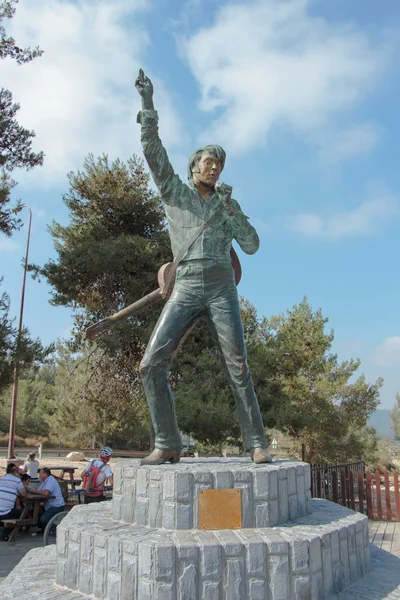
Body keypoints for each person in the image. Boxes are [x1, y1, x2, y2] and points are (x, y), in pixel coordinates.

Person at [134, 69, 272, 466]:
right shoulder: (174, 192)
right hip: (187, 283)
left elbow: (252, 244)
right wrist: (147, 104)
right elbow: (151, 149)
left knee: (238, 365)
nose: (214, 169)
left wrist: (231, 208)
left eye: (219, 165)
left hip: (221, 284)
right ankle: (167, 442)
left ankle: (257, 443)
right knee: (150, 364)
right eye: (209, 163)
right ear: (194, 166)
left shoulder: (226, 206)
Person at [0, 464, 26, 541]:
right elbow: (23, 493)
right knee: (21, 514)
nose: (21, 476)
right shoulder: (17, 481)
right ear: (15, 473)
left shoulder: (2, 478)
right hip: (5, 512)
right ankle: (5, 533)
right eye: (20, 474)